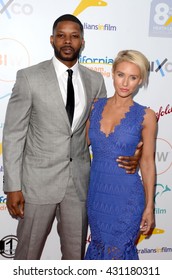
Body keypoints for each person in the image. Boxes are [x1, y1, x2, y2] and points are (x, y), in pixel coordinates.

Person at [2, 15, 141, 260]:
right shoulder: (29, 77)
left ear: (82, 42)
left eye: (74, 36)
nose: (68, 41)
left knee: (75, 258)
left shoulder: (95, 80)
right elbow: (13, 134)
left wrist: (135, 152)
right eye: (62, 35)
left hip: (79, 185)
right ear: (52, 39)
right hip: (36, 183)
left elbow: (103, 130)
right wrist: (13, 186)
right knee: (27, 256)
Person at [84, 50, 157, 260]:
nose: (125, 83)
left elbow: (148, 163)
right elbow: (80, 145)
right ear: (112, 73)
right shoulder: (95, 106)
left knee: (118, 254)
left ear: (140, 80)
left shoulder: (147, 116)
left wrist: (150, 207)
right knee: (98, 248)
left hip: (127, 198)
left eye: (133, 77)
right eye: (121, 75)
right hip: (97, 196)